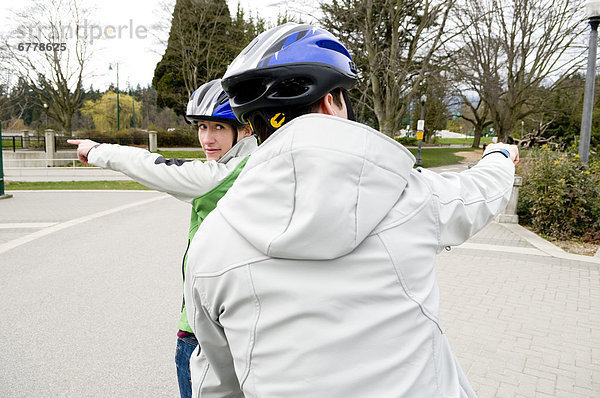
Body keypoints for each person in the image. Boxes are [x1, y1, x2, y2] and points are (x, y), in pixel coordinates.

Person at [184, 23, 519, 397]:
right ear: (331, 101)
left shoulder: (210, 244)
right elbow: (481, 193)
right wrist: (500, 156)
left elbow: (217, 382)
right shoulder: (408, 196)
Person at [68, 79, 258, 398]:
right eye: (201, 127)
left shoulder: (230, 175)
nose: (207, 139)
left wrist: (98, 150)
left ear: (247, 129)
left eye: (219, 128)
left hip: (203, 331)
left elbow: (159, 168)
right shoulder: (260, 165)